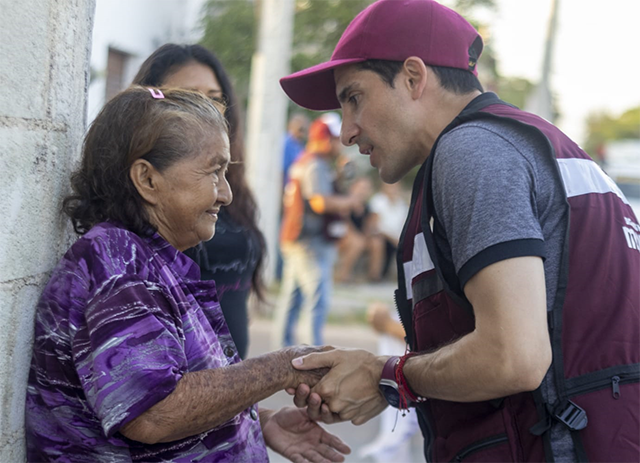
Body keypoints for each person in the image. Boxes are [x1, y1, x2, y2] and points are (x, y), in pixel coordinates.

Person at [279, 0, 640, 462]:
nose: (347, 131)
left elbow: (515, 355)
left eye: (354, 98)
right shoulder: (548, 146)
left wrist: (388, 375)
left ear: (413, 77)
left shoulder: (472, 153)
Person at [25, 87, 350, 462]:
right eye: (214, 171)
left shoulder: (142, 258)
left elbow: (161, 395)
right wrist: (283, 367)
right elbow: (153, 413)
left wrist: (254, 421)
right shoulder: (116, 263)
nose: (225, 193)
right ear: (147, 180)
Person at [132, 44, 266, 360]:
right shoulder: (146, 192)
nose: (206, 108)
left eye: (215, 98)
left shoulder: (233, 188)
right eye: (190, 96)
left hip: (230, 390)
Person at [274, 113, 367, 348]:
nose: (341, 144)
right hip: (308, 242)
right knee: (317, 299)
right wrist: (352, 200)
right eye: (336, 139)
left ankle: (282, 350)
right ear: (324, 139)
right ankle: (313, 355)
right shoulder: (314, 164)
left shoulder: (313, 162)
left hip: (299, 239)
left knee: (292, 300)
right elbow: (320, 202)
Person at [366, 182, 409, 280]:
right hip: (382, 236)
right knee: (377, 242)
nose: (393, 189)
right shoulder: (378, 201)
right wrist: (393, 238)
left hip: (397, 237)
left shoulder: (401, 204)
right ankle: (374, 276)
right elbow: (374, 226)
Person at [283, 113, 311, 186]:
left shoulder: (300, 144)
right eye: (301, 129)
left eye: (305, 130)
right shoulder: (286, 143)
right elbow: (281, 171)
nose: (303, 133)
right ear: (292, 126)